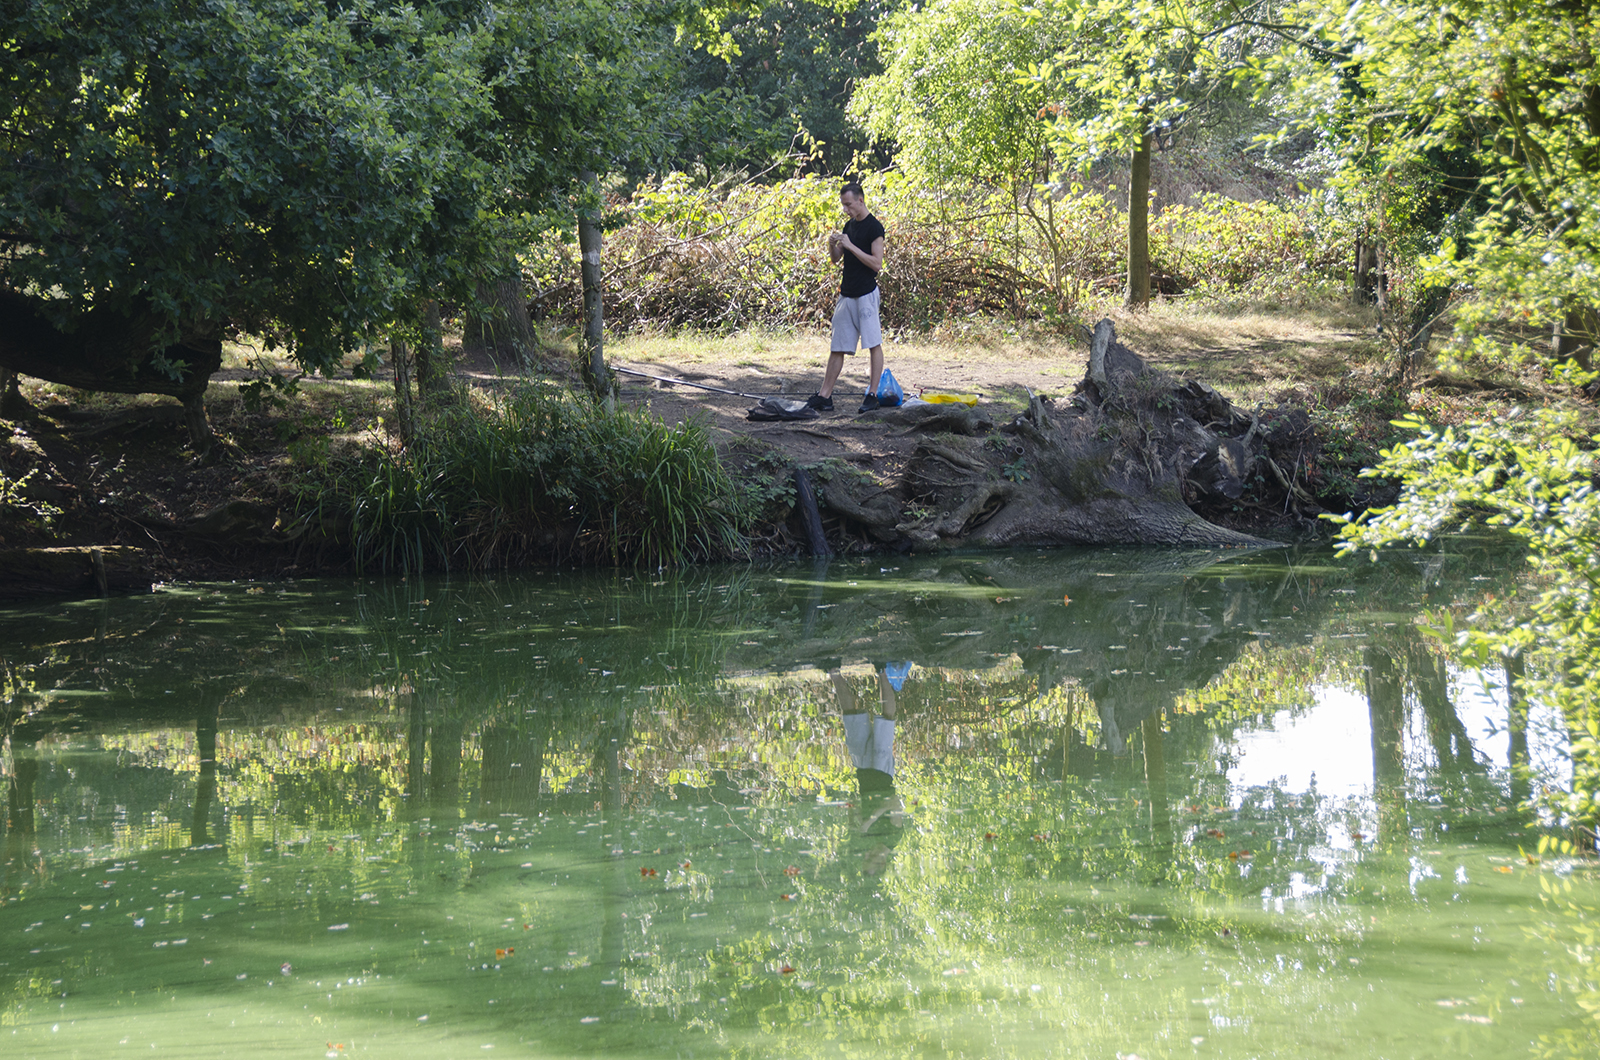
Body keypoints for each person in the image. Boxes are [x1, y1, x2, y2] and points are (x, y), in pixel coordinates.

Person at [807, 182, 886, 415]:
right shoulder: (848, 226)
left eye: (849, 204)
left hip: (867, 294)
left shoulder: (875, 228)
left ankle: (872, 395)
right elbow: (835, 259)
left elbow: (877, 263)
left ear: (860, 200)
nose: (846, 209)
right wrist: (832, 245)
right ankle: (825, 396)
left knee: (873, 344)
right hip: (847, 293)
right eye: (843, 205)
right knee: (837, 347)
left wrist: (850, 245)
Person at [828, 660, 912, 875]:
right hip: (882, 772)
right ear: (882, 863)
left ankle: (834, 672)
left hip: (862, 773)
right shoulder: (894, 838)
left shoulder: (864, 840)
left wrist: (853, 816)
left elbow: (855, 810)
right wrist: (871, 819)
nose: (867, 855)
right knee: (887, 719)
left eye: (865, 859)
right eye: (871, 860)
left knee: (850, 716)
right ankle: (882, 670)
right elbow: (894, 802)